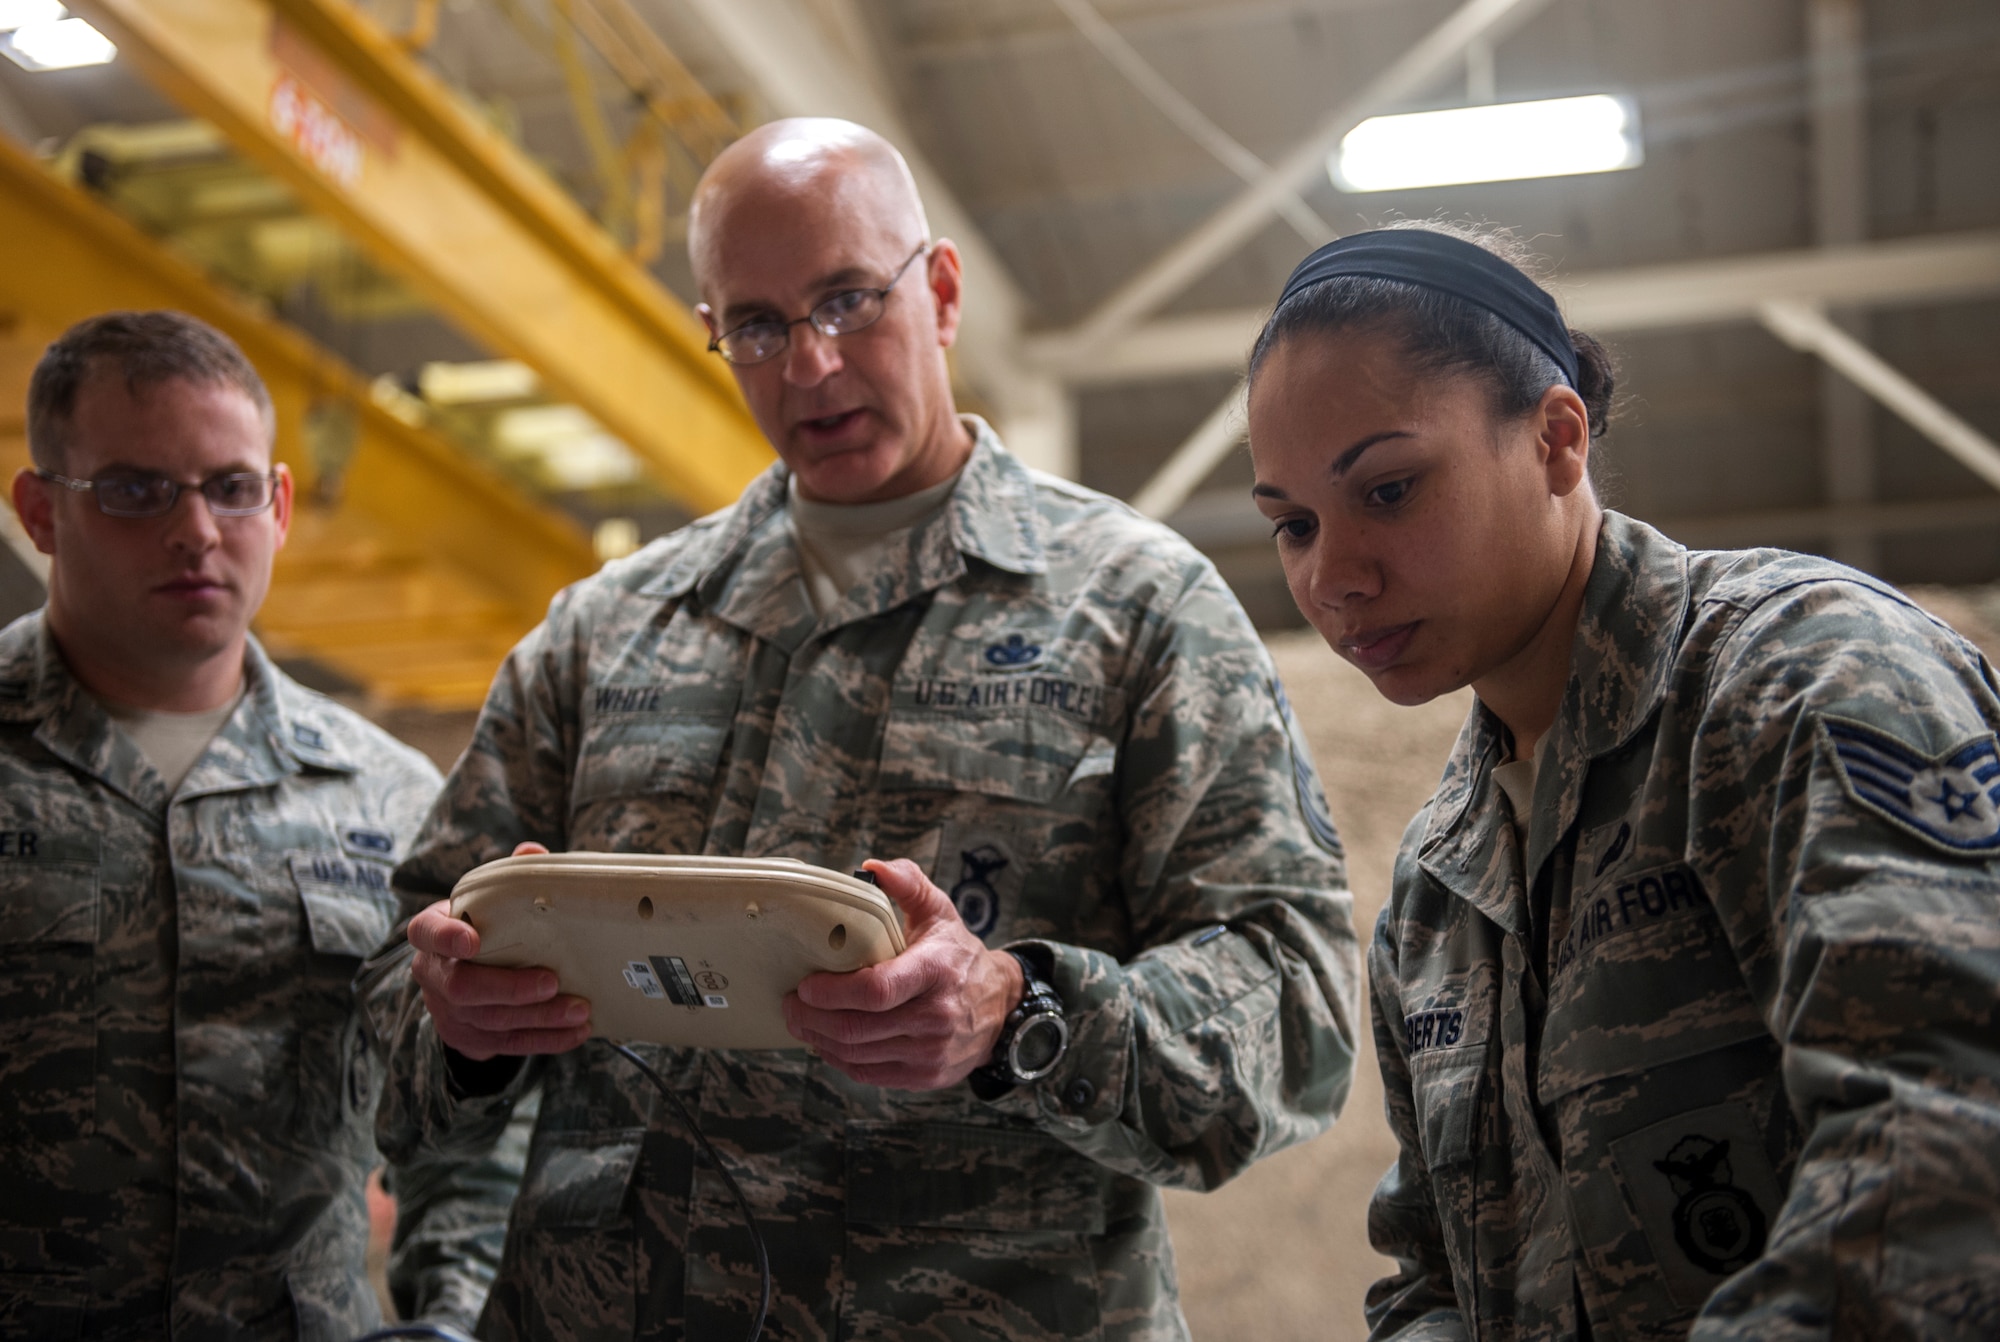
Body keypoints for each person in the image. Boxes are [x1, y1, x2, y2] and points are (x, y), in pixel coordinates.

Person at [364, 116, 1360, 1341]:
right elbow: (379, 998)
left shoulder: (1135, 606)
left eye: (847, 300)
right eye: (758, 327)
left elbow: (1296, 1004)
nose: (811, 368)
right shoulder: (603, 634)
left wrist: (1018, 1013)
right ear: (712, 335)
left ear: (939, 291)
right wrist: (456, 1027)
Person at [1245, 223, 2000, 1340]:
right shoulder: (1437, 885)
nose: (1333, 576)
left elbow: (1947, 1150)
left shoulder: (1798, 684)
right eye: (1293, 524)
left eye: (1390, 490)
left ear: (1556, 439)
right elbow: (1434, 1279)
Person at [1, 310, 523, 1338]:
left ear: (279, 505)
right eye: (134, 491)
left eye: (231, 488)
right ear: (40, 512)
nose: (195, 530)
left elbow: (467, 1129)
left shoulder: (388, 796)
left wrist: (453, 1319)